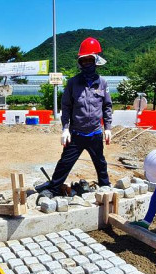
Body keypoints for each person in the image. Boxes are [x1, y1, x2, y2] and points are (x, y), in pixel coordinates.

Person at [36, 37, 112, 197]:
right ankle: (53, 188)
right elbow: (66, 107)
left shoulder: (103, 83)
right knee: (65, 163)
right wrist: (65, 129)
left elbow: (107, 106)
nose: (87, 64)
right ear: (80, 62)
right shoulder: (73, 83)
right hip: (76, 133)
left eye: (90, 60)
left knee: (100, 162)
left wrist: (108, 128)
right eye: (84, 61)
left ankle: (105, 186)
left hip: (95, 133)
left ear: (96, 61)